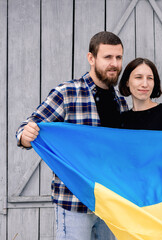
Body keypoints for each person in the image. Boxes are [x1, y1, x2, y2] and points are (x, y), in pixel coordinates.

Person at [15, 31, 126, 239]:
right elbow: (25, 128)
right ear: (91, 58)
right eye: (108, 57)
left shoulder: (120, 102)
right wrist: (25, 136)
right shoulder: (67, 93)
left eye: (118, 57)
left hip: (110, 205)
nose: (114, 64)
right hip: (74, 203)